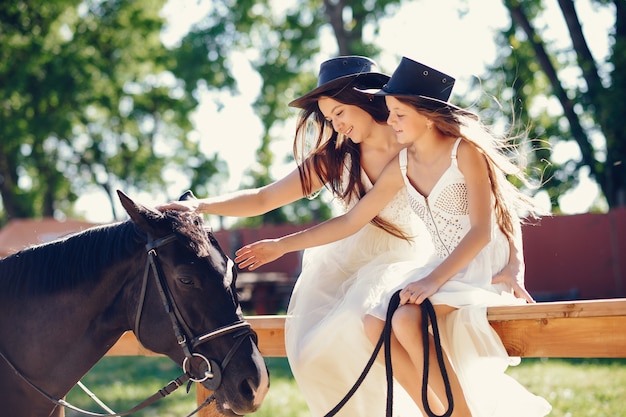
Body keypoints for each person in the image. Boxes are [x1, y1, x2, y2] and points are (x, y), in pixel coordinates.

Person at [235, 57, 552, 416]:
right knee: (376, 322)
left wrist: (513, 268)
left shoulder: (463, 152)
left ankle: (459, 412)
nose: (391, 121)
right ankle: (435, 410)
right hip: (440, 266)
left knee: (400, 319)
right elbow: (353, 219)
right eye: (391, 113)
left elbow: (491, 221)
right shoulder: (401, 164)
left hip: (474, 266)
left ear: (427, 114)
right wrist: (281, 245)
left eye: (398, 114)